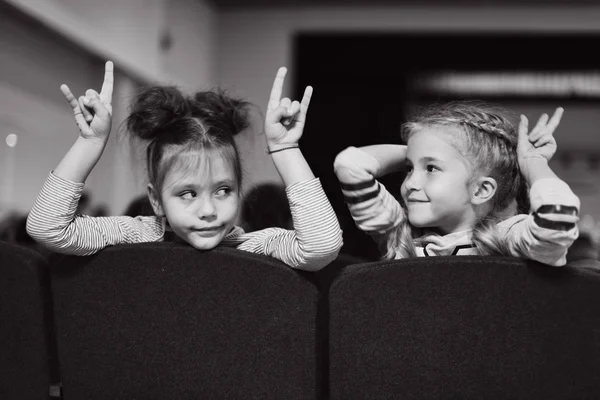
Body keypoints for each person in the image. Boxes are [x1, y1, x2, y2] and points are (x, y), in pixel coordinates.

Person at [26, 62, 342, 271]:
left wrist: (285, 149)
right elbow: (46, 228)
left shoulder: (252, 247)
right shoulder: (132, 234)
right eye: (188, 193)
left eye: (223, 190)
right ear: (155, 199)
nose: (208, 211)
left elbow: (322, 246)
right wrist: (90, 143)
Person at [334, 101, 579, 266]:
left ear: (481, 190)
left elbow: (557, 219)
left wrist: (531, 162)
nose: (410, 183)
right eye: (409, 169)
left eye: (431, 169)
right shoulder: (399, 234)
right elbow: (350, 165)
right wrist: (425, 147)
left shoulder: (507, 238)